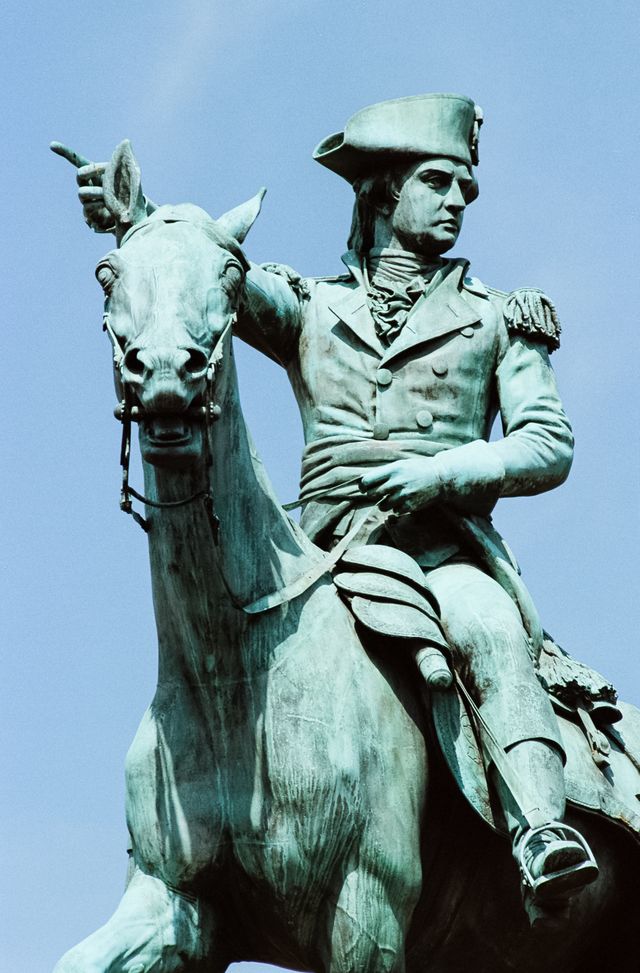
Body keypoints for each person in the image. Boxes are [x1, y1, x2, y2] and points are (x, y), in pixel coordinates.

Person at [68, 92, 598, 915]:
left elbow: (545, 443)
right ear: (384, 190)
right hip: (323, 556)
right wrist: (133, 219)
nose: (459, 201)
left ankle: (540, 829)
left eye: (465, 189)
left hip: (439, 551)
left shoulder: (497, 319)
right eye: (439, 182)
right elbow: (207, 272)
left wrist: (443, 473)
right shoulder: (312, 307)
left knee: (488, 627)